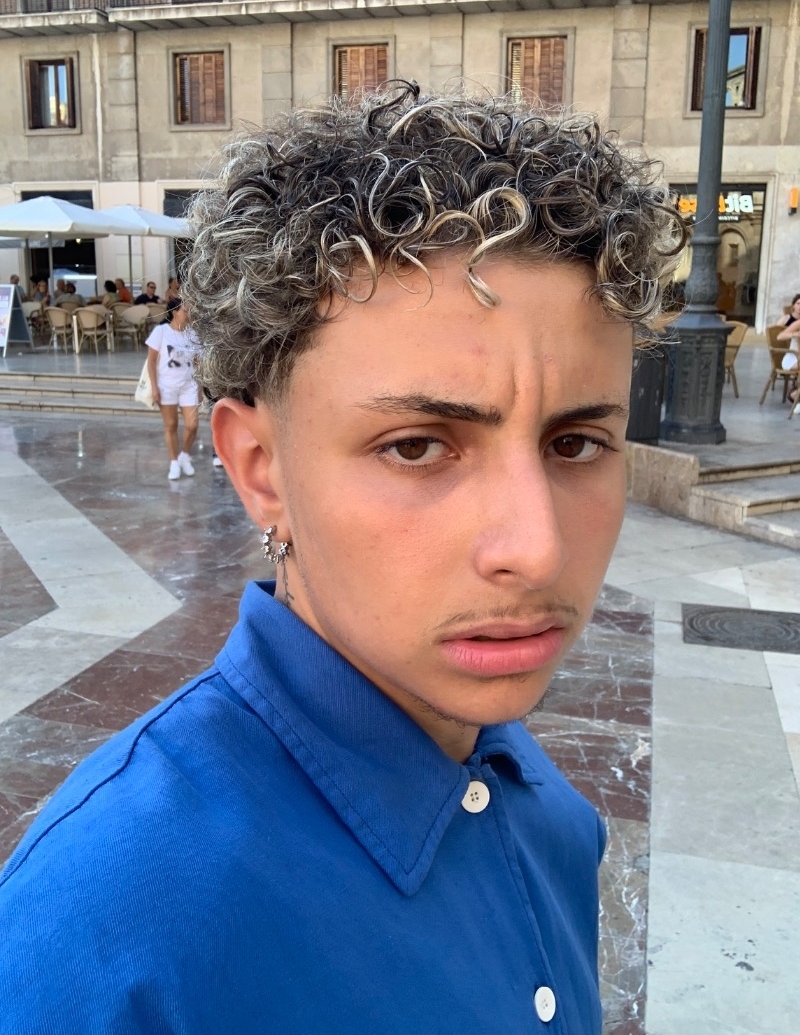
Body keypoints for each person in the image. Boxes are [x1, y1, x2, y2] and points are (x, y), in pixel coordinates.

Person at [0, 86, 685, 1034]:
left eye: (575, 444)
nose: (536, 550)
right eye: (417, 446)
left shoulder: (547, 812)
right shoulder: (103, 930)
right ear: (260, 469)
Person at [145, 303, 200, 480]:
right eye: (185, 310)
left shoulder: (193, 334)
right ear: (175, 312)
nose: (189, 314)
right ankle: (174, 462)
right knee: (171, 425)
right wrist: (154, 387)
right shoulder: (161, 332)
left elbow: (198, 362)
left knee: (192, 425)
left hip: (188, 385)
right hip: (166, 386)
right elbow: (151, 361)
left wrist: (200, 387)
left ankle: (184, 455)